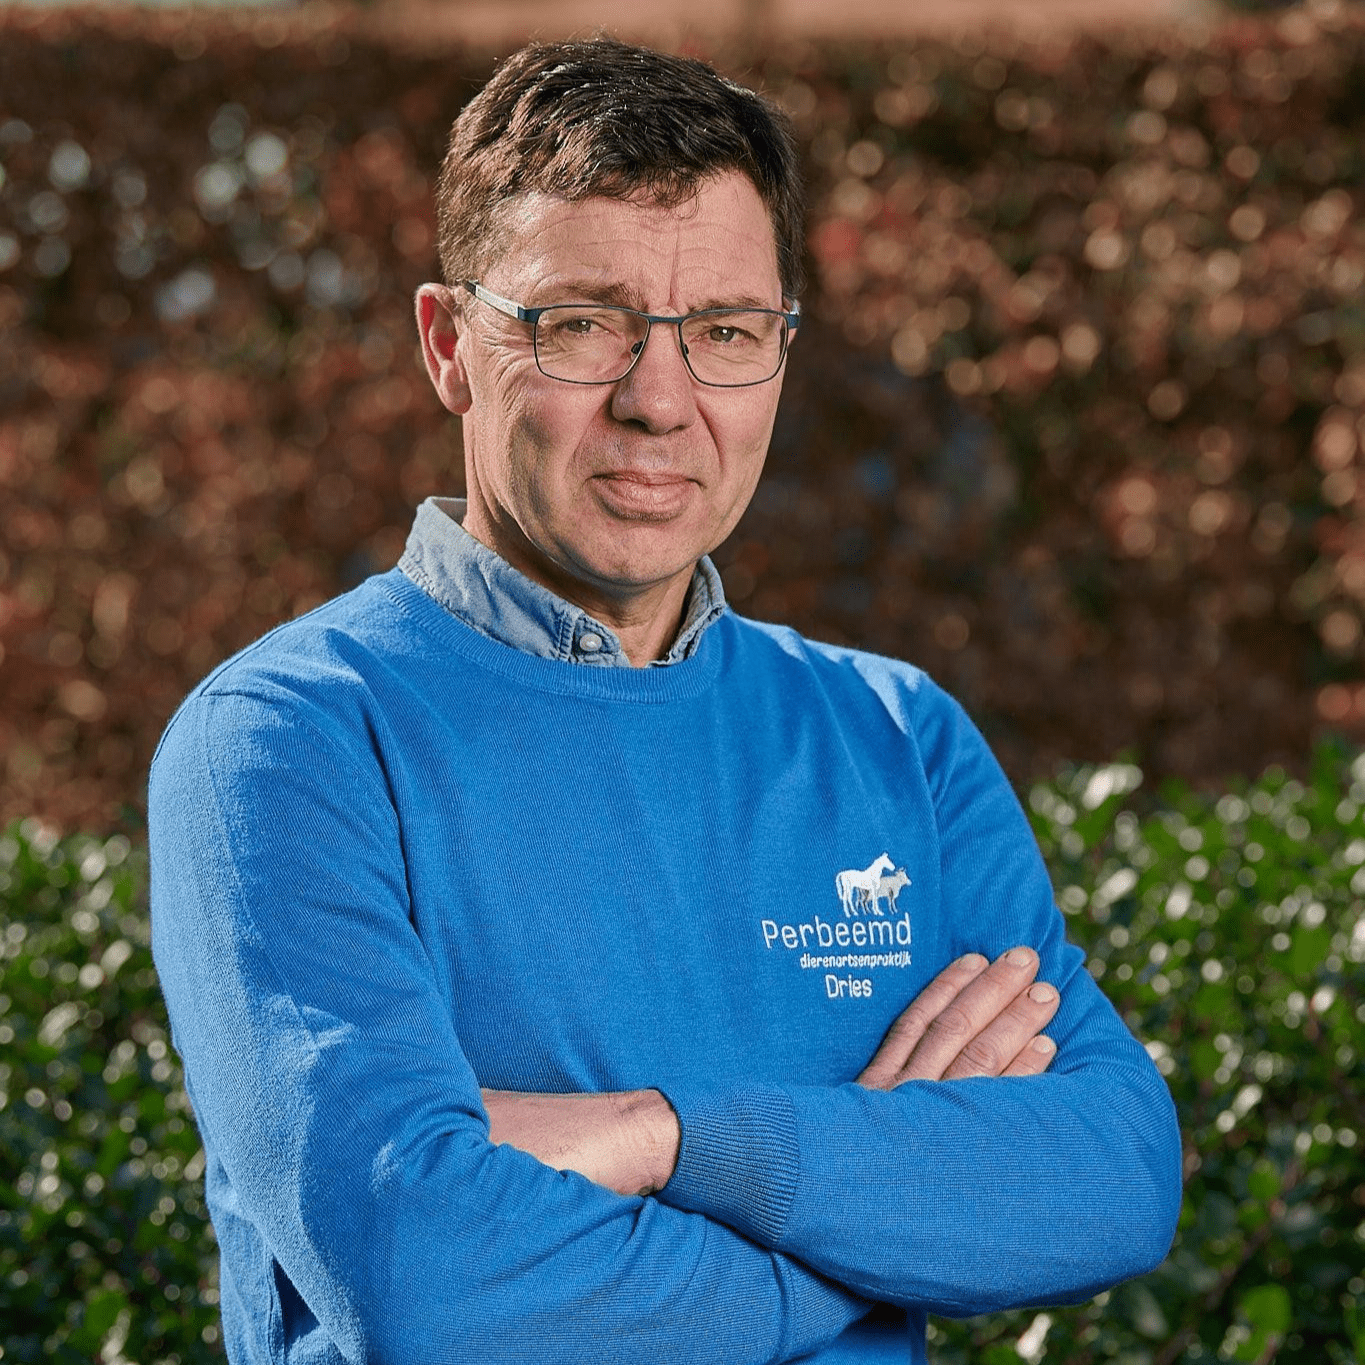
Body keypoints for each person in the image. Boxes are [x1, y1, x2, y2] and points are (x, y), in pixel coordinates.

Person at [149, 37, 1181, 1365]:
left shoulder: (898, 736)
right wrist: (875, 1229)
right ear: (450, 346)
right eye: (583, 324)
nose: (658, 401)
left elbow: (1112, 1176)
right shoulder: (290, 744)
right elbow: (427, 1280)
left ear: (781, 354)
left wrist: (667, 1138)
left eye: (727, 335)